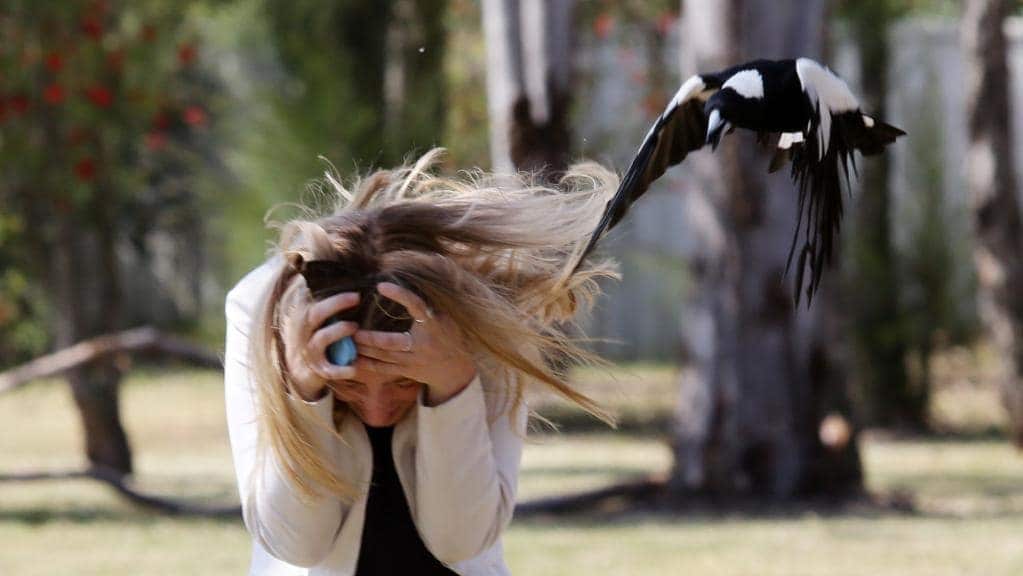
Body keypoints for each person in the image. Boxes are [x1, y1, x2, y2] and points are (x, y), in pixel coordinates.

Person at [224, 149, 619, 575]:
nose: (377, 413)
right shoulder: (259, 312)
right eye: (352, 387)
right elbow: (296, 545)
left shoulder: (481, 321)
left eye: (401, 384)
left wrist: (453, 385)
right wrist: (304, 391)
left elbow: (461, 540)